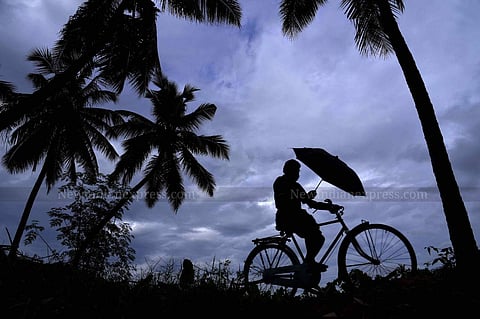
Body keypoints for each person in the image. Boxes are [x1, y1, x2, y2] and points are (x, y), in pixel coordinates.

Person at [273, 159, 342, 271]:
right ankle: (309, 262)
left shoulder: (295, 185)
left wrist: (328, 206)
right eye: (297, 171)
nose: (298, 174)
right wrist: (306, 196)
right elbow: (286, 197)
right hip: (288, 217)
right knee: (315, 235)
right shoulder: (281, 182)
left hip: (294, 217)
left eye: (298, 171)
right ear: (290, 171)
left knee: (316, 236)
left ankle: (308, 263)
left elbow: (310, 203)